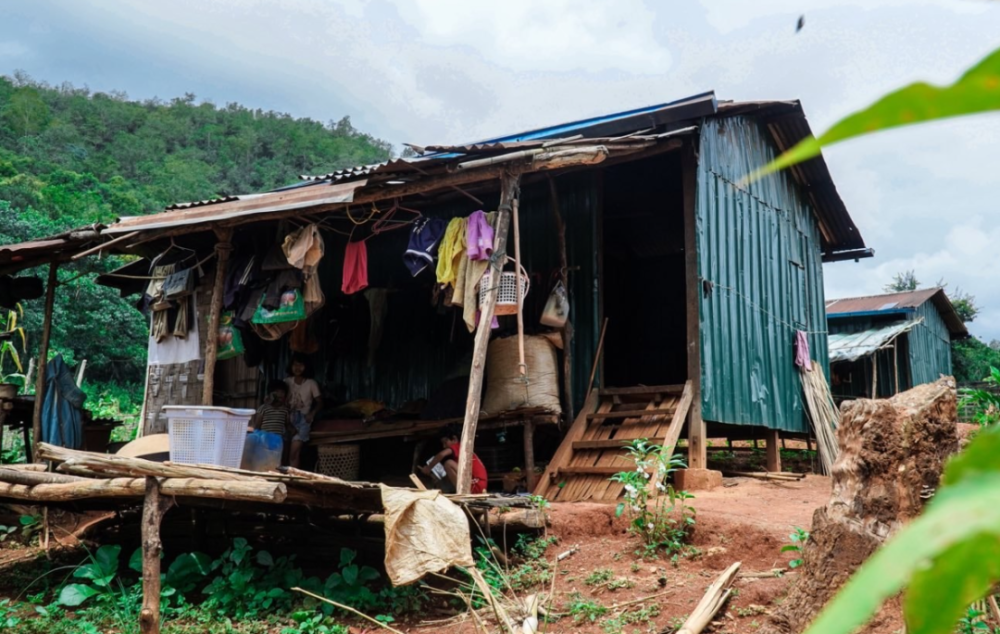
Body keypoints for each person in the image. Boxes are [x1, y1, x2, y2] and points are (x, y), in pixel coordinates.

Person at [419, 426, 488, 494]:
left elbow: (441, 455)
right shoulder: (462, 451)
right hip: (479, 484)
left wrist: (429, 468)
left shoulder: (458, 446)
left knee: (448, 463)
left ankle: (462, 492)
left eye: (445, 442)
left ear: (454, 439)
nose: (444, 446)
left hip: (476, 484)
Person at [285, 355, 323, 469]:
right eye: (295, 364)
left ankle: (293, 481)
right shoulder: (286, 382)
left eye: (301, 365)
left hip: (303, 419)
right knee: (284, 453)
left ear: (306, 367)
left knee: (294, 454)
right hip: (287, 418)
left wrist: (312, 414)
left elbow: (320, 402)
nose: (297, 368)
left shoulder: (311, 383)